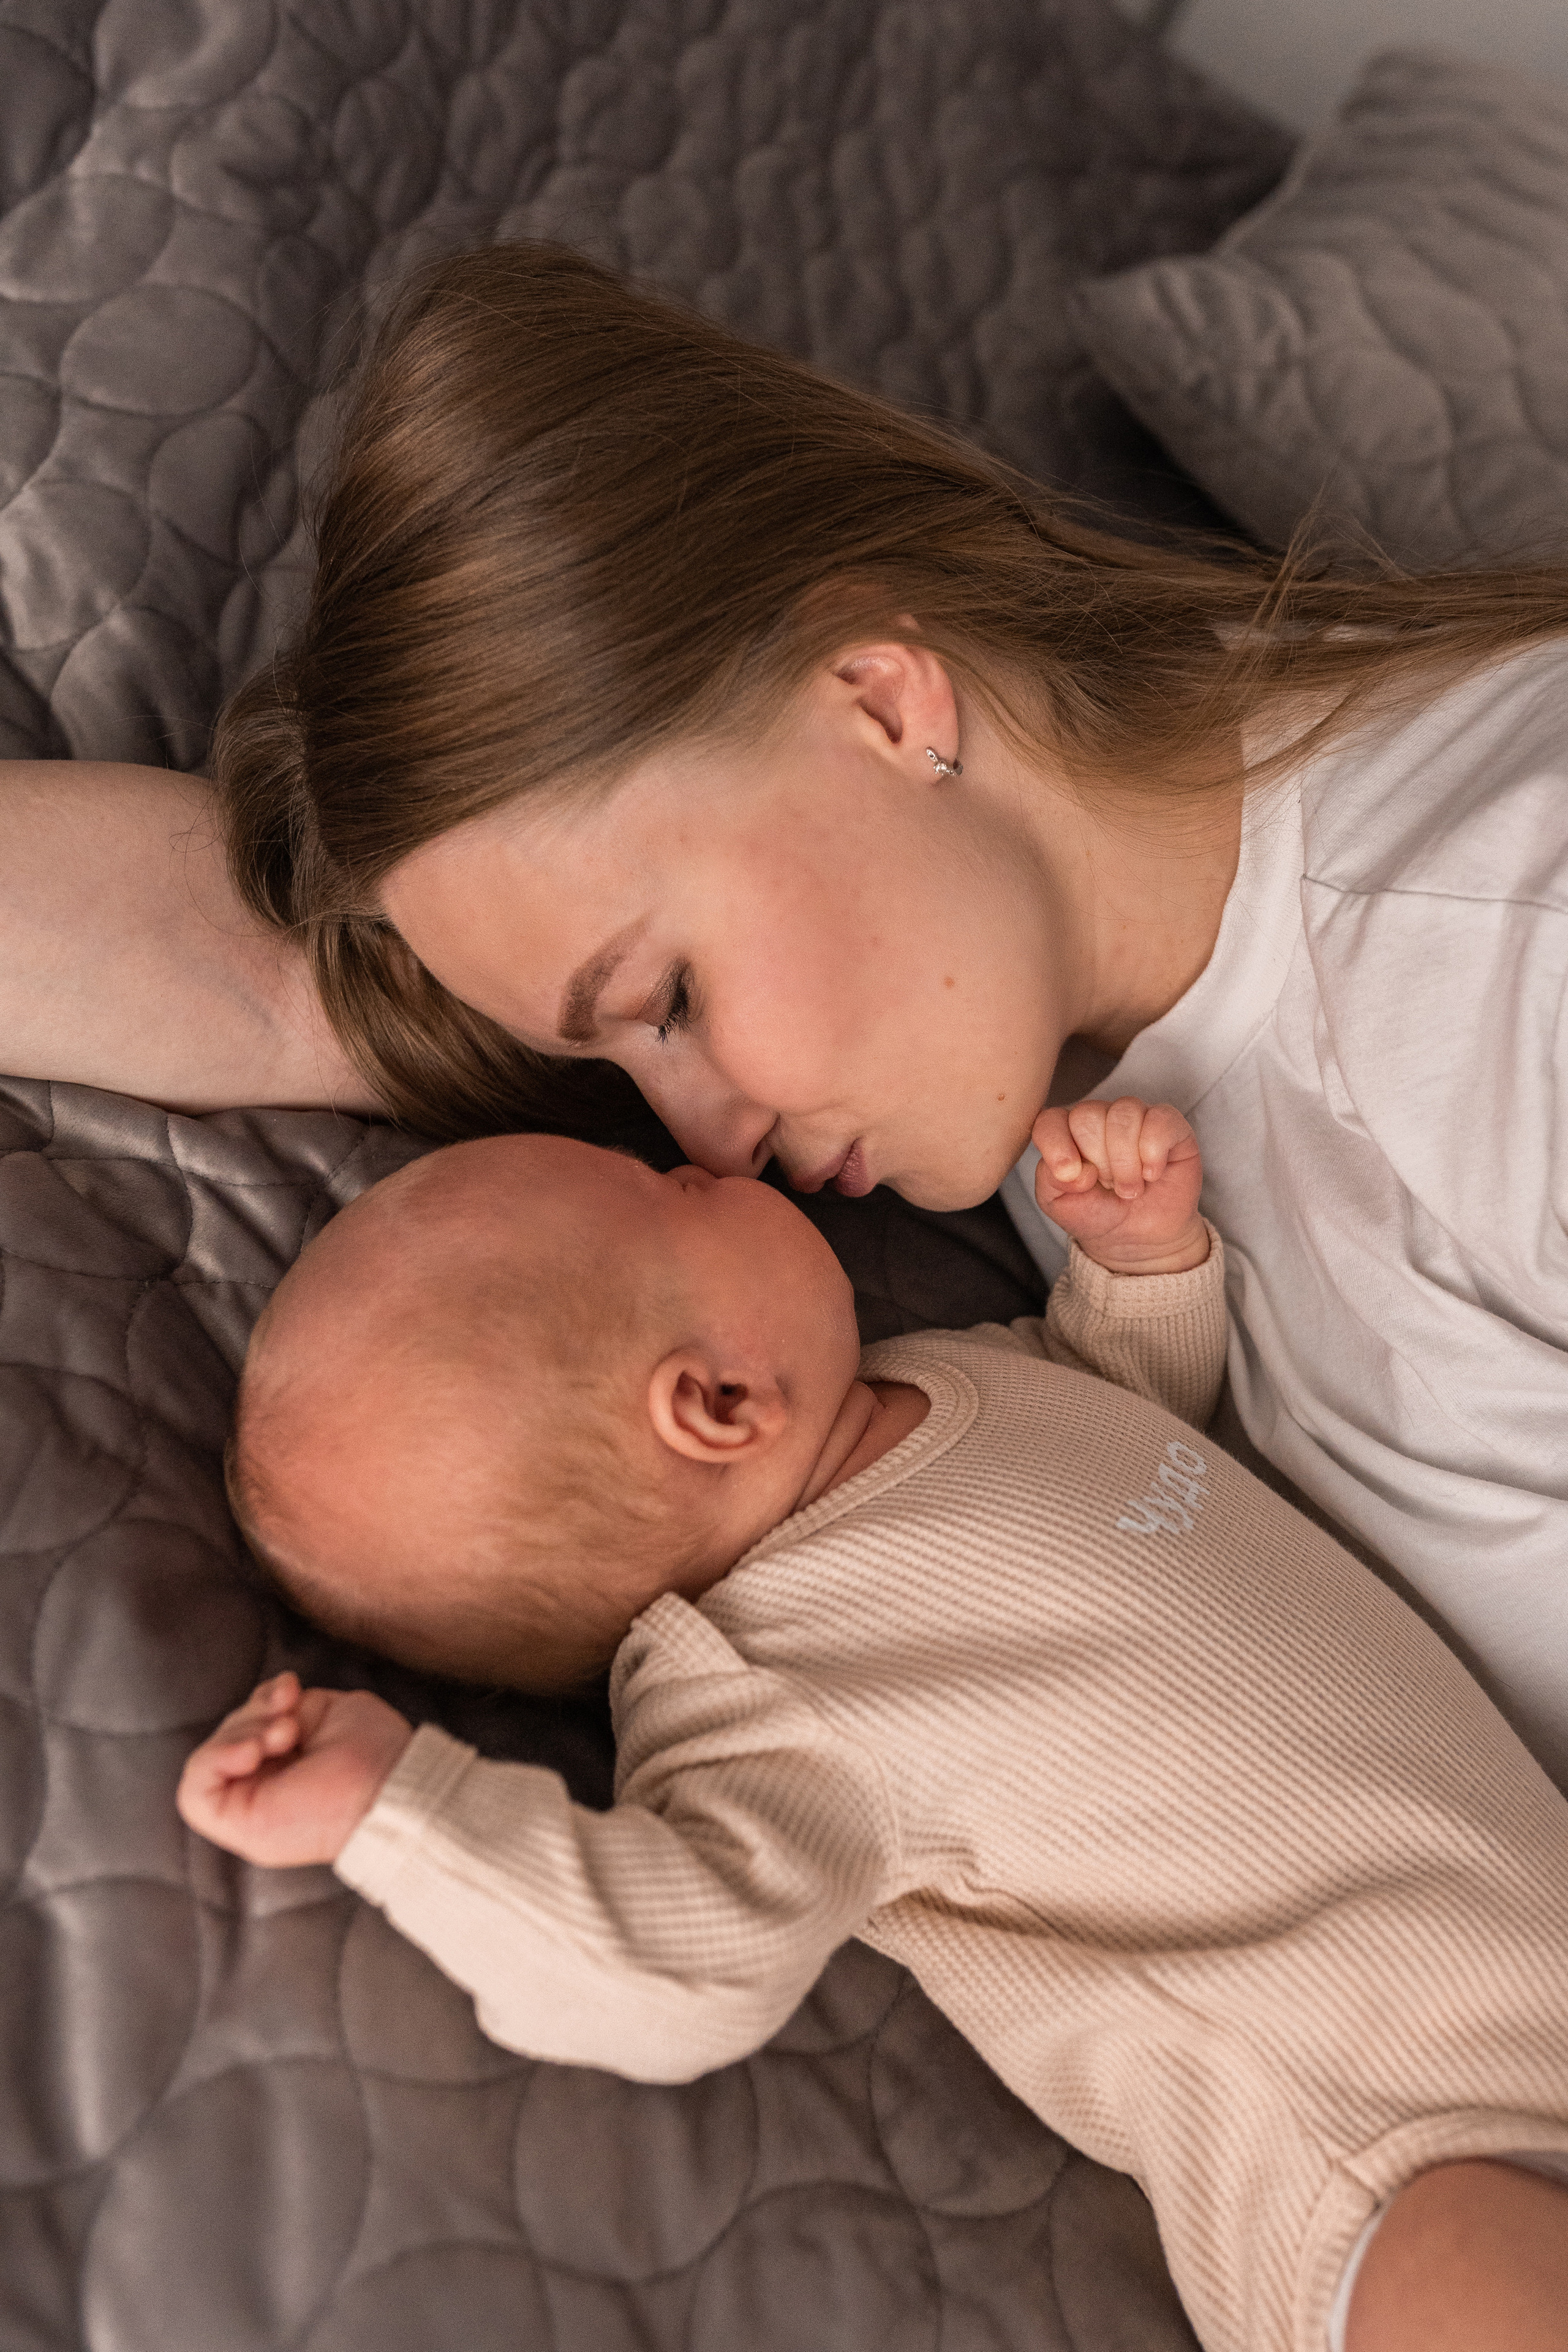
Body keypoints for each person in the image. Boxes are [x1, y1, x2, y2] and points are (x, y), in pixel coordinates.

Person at [2, 243, 1562, 1784]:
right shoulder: (999, 934)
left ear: (883, 702)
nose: (703, 1141)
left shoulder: (1504, 961)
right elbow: (262, 982)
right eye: (610, 1046)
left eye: (668, 999)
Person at [176, 1114, 1568, 2352]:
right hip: (1373, 2131)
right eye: (673, 1188)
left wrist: (1138, 1273)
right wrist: (402, 1809)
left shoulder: (940, 1383)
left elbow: (1130, 1443)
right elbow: (673, 1967)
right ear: (717, 1403)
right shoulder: (755, 1692)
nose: (711, 1158)